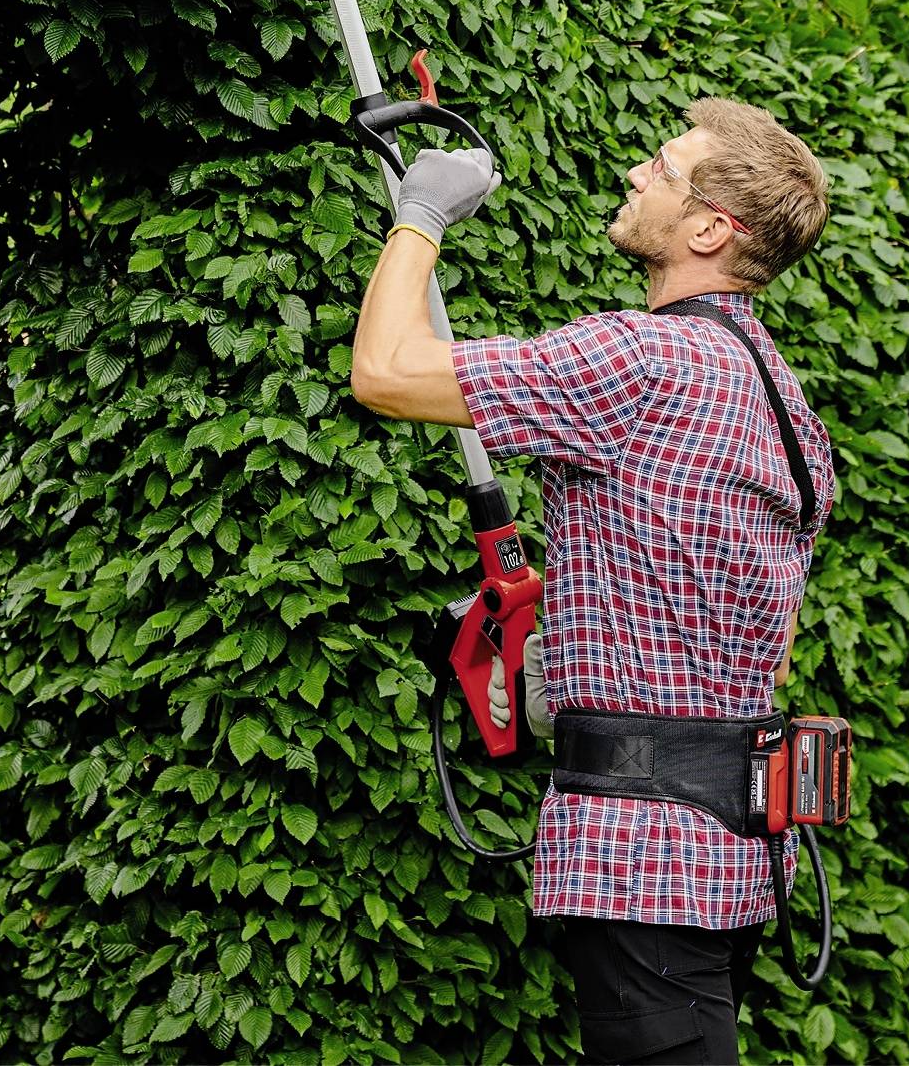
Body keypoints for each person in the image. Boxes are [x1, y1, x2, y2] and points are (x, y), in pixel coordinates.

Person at [350, 97, 834, 1066]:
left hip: (640, 860)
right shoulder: (785, 399)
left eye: (661, 167)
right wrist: (577, 645)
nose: (635, 175)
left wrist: (421, 216)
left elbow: (387, 369)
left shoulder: (640, 356)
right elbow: (737, 620)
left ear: (708, 227)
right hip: (736, 852)